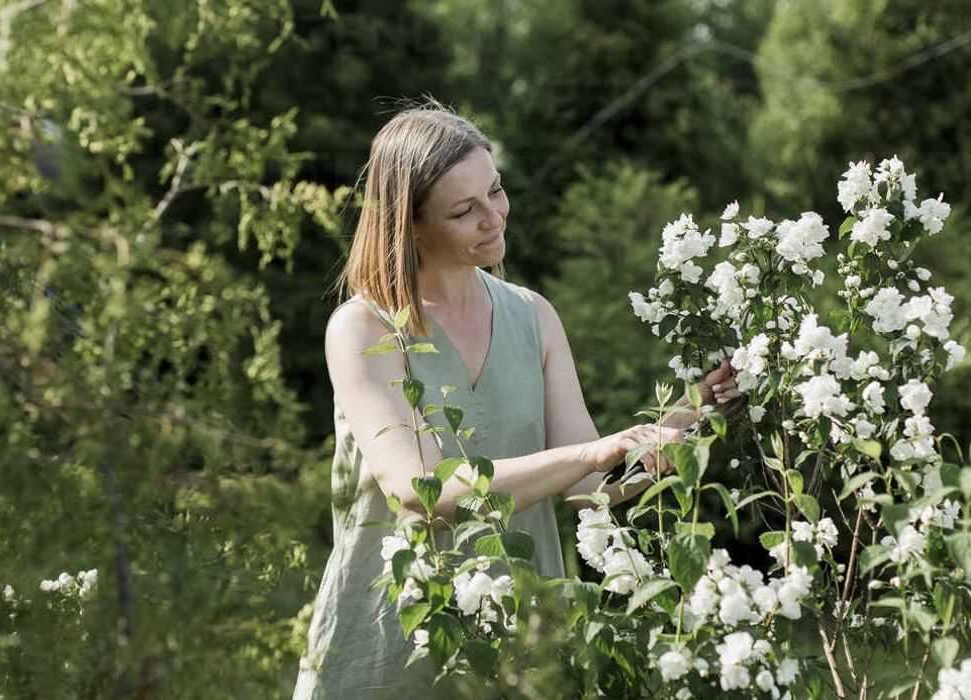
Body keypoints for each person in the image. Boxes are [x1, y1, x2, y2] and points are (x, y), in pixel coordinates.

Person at [293, 99, 738, 699]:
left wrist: (686, 416)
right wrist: (593, 454)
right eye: (464, 211)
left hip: (520, 650)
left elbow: (588, 487)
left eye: (495, 192)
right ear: (412, 225)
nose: (494, 218)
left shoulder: (532, 316)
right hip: (394, 652)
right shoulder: (366, 329)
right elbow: (417, 492)